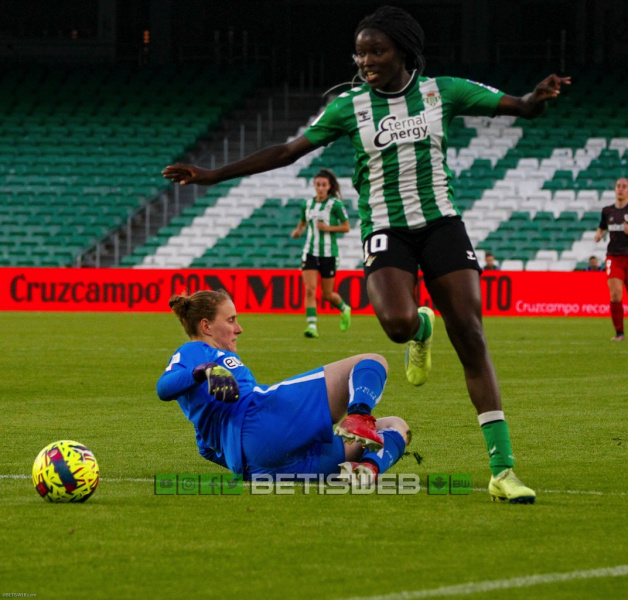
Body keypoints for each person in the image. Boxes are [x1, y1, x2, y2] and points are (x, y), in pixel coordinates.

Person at [163, 5, 571, 503]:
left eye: (376, 50)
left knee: (472, 336)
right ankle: (420, 328)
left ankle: (502, 470)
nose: (365, 60)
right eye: (359, 52)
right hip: (385, 229)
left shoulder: (442, 92)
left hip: (442, 222)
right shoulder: (348, 107)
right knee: (396, 325)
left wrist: (538, 97)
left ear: (404, 50)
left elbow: (522, 107)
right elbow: (288, 151)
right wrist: (210, 175)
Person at [156, 289, 410, 482]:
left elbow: (207, 449)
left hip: (261, 462)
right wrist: (203, 369)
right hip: (262, 420)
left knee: (396, 426)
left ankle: (368, 471)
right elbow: (164, 387)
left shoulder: (212, 390)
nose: (239, 328)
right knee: (373, 361)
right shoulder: (194, 350)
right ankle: (359, 416)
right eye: (231, 320)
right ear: (206, 326)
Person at [290, 168, 352, 338]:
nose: (320, 188)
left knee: (327, 294)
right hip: (310, 252)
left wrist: (328, 228)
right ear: (314, 185)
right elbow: (302, 223)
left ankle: (344, 308)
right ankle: (312, 326)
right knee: (310, 290)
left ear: (329, 186)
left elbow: (346, 227)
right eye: (318, 184)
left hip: (329, 253)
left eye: (324, 185)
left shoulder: (336, 205)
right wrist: (298, 231)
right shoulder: (307, 204)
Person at [594, 177, 628, 341]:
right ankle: (619, 333)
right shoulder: (607, 210)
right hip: (614, 256)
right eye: (618, 186)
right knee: (615, 295)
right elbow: (602, 226)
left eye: (624, 186)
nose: (621, 189)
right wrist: (599, 234)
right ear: (615, 189)